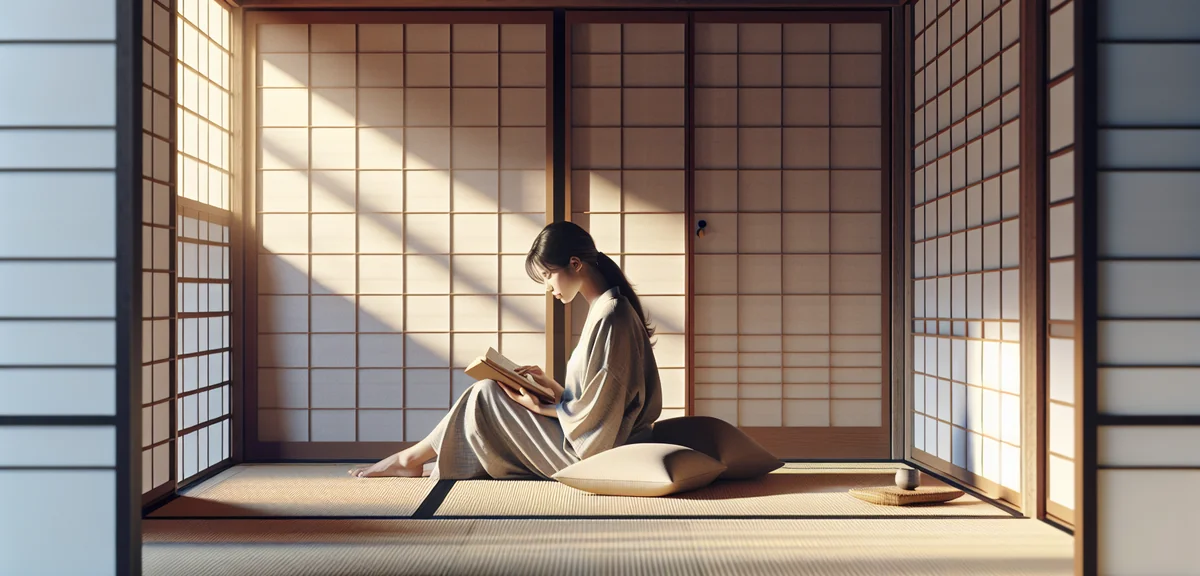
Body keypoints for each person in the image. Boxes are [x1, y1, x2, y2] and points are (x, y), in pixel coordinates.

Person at [349, 221, 662, 480]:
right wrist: (549, 387)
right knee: (488, 390)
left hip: (595, 452)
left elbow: (601, 417)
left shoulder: (611, 315)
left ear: (575, 264)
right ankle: (411, 459)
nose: (548, 288)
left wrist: (541, 408)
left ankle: (408, 459)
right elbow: (596, 400)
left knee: (484, 395)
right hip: (587, 436)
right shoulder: (606, 309)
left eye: (548, 275)